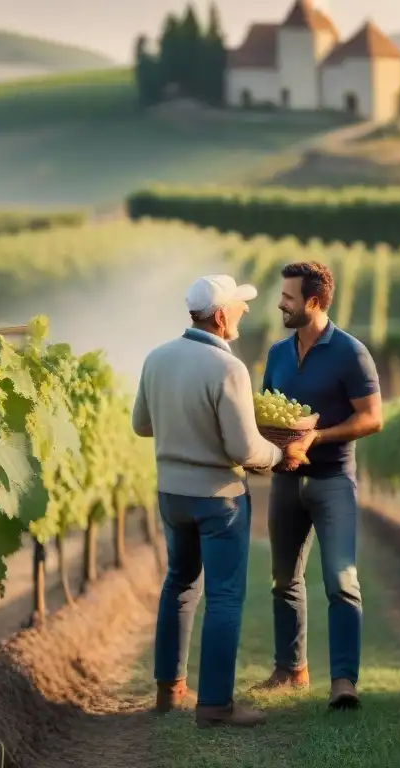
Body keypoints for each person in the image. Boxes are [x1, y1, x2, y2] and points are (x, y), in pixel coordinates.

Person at [131, 274, 314, 728]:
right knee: (225, 597)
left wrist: (184, 428)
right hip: (219, 500)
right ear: (219, 316)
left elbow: (141, 425)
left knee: (178, 585)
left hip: (172, 494)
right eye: (238, 306)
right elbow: (243, 449)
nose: (245, 312)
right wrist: (281, 454)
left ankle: (169, 690)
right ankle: (214, 704)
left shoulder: (157, 358)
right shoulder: (227, 368)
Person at [252, 261, 382, 710]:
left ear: (313, 301)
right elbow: (269, 411)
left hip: (332, 481)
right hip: (287, 482)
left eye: (288, 297)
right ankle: (291, 671)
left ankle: (344, 681)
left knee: (342, 581)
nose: (280, 304)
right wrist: (263, 451)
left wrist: (318, 436)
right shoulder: (277, 353)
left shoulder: (351, 352)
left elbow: (372, 418)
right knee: (283, 580)